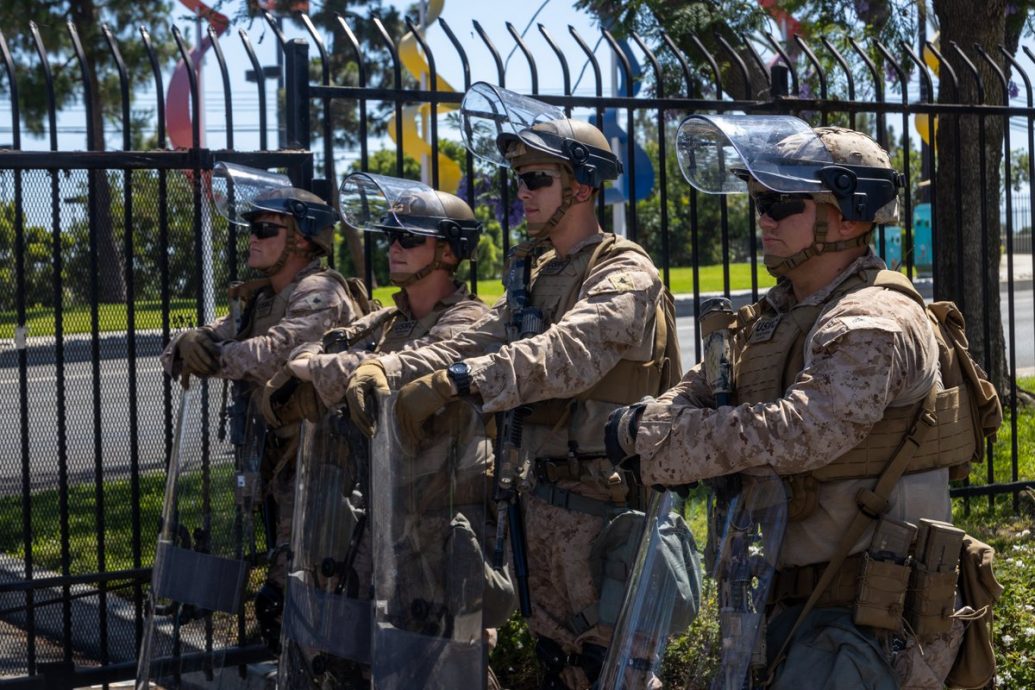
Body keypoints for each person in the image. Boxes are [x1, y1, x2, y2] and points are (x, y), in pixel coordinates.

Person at [607, 116, 992, 689]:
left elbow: (800, 432)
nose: (763, 217)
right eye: (760, 200)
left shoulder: (876, 320)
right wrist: (653, 421)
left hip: (869, 622)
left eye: (782, 202)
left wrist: (660, 439)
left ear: (849, 214)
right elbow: (702, 388)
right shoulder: (779, 317)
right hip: (792, 610)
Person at [344, 84, 686, 690]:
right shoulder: (540, 275)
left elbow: (567, 354)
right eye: (519, 180)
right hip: (541, 505)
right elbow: (477, 338)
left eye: (536, 180)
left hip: (605, 512)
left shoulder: (623, 271)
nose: (521, 192)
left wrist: (457, 383)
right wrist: (392, 371)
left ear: (582, 187)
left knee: (614, 670)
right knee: (560, 666)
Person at [262, 174, 514, 690]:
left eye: (410, 238)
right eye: (392, 237)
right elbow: (306, 362)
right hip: (380, 516)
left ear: (449, 252)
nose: (394, 247)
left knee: (442, 660)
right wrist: (317, 367)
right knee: (365, 660)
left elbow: (402, 370)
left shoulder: (471, 321)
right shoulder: (384, 323)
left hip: (440, 521)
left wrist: (321, 369)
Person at [161, 167, 369, 649]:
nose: (252, 238)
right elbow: (178, 354)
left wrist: (211, 356)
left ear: (301, 240)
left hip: (322, 463)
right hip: (274, 460)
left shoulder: (321, 293)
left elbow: (273, 353)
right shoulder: (261, 300)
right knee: (284, 586)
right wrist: (188, 341)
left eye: (265, 229)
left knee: (304, 585)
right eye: (252, 228)